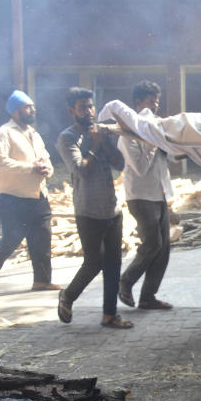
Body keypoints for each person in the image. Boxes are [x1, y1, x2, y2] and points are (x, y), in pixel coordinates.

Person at [55, 87, 132, 329]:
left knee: (114, 264)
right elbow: (81, 170)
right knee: (94, 262)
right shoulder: (67, 138)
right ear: (72, 111)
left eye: (91, 106)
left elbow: (120, 164)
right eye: (83, 107)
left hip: (111, 207)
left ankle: (110, 315)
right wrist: (95, 145)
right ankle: (68, 295)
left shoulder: (101, 132)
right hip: (88, 209)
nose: (89, 112)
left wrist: (105, 143)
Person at [0, 91, 56, 292]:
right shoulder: (3, 133)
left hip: (38, 194)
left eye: (32, 106)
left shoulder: (34, 134)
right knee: (12, 238)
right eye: (28, 107)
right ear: (16, 112)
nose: (32, 110)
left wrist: (48, 170)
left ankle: (42, 281)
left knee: (42, 238)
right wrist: (31, 167)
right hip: (13, 197)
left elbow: (46, 159)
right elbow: (0, 161)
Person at [117, 81, 173, 311]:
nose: (155, 106)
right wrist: (153, 141)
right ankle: (126, 281)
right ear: (138, 103)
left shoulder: (154, 132)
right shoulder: (127, 134)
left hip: (158, 194)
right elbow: (139, 167)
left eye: (157, 102)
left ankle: (148, 297)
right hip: (140, 196)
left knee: (164, 248)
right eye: (151, 102)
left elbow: (168, 160)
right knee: (152, 244)